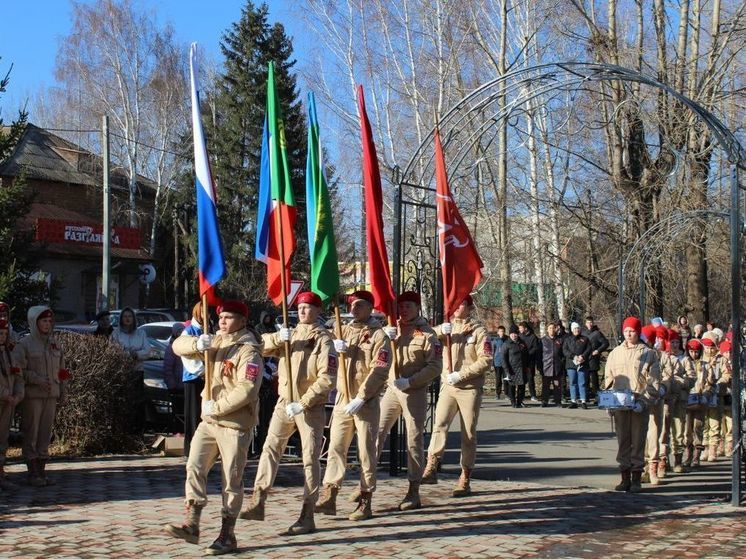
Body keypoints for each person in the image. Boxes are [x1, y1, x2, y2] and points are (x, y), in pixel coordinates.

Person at [165, 300, 263, 555]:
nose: (222, 321)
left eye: (229, 317)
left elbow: (248, 389)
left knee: (231, 479)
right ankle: (192, 523)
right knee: (194, 466)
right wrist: (198, 343)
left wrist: (217, 407)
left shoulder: (248, 350)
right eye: (221, 317)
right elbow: (177, 346)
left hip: (234, 423)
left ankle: (227, 534)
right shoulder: (215, 341)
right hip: (209, 423)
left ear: (242, 321)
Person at [240, 292, 336, 535]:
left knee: (309, 458)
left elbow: (327, 378)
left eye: (308, 308)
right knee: (270, 449)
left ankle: (307, 513)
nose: (302, 311)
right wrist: (277, 339)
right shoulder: (290, 335)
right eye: (300, 307)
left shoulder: (324, 340)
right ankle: (258, 499)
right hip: (285, 402)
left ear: (317, 311)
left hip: (309, 407)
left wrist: (304, 402)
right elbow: (260, 346)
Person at [315, 290, 391, 521]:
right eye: (351, 306)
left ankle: (366, 500)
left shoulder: (380, 336)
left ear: (370, 308)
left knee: (366, 453)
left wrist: (362, 396)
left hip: (364, 402)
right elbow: (320, 341)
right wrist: (334, 345)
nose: (354, 310)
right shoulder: (343, 329)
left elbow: (379, 370)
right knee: (336, 447)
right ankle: (330, 493)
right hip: (342, 401)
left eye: (359, 306)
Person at [376, 291, 442, 511]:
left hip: (414, 390)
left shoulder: (427, 334)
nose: (404, 310)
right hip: (392, 389)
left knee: (413, 440)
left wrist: (412, 381)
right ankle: (367, 484)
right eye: (401, 307)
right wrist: (384, 336)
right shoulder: (391, 328)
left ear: (417, 308)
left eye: (408, 307)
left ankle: (414, 490)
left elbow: (435, 366)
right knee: (376, 432)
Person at [422, 295, 491, 497]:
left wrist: (462, 374)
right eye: (454, 304)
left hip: (468, 387)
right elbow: (425, 337)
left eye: (461, 304)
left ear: (469, 307)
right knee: (439, 425)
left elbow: (486, 359)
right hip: (448, 386)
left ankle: (465, 476)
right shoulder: (447, 328)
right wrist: (439, 331)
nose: (456, 308)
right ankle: (432, 465)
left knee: (468, 433)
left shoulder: (479, 331)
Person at [14, 306, 68, 487]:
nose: (47, 324)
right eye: (43, 321)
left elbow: (62, 371)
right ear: (34, 322)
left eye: (49, 321)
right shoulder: (25, 344)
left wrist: (63, 391)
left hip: (51, 395)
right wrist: (36, 379)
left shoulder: (55, 344)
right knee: (32, 432)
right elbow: (19, 370)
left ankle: (42, 471)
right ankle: (32, 472)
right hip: (33, 396)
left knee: (46, 433)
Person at [605, 317, 660, 493]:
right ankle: (624, 477)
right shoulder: (615, 353)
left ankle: (636, 477)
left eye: (632, 331)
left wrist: (645, 401)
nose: (629, 334)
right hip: (620, 403)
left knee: (638, 440)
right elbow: (608, 378)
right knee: (623, 440)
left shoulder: (648, 353)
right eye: (626, 331)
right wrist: (608, 401)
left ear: (638, 332)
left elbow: (654, 382)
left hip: (638, 403)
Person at [0, 319, 23, 490]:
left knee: (3, 438)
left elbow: (18, 376)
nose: (3, 337)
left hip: (9, 402)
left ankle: (1, 473)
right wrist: (5, 394)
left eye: (5, 334)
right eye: (0, 333)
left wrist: (17, 394)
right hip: (3, 398)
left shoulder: (10, 353)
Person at [182, 302, 206, 457]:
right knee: (193, 415)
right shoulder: (188, 331)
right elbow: (187, 356)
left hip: (207, 379)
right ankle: (190, 449)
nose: (206, 315)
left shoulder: (207, 330)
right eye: (203, 311)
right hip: (193, 378)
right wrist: (203, 371)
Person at [662, 329, 689, 474]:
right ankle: (663, 460)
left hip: (680, 399)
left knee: (678, 430)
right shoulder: (662, 357)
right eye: (672, 341)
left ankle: (678, 461)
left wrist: (681, 382)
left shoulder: (684, 358)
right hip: (666, 400)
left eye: (677, 342)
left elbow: (691, 377)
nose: (675, 344)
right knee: (663, 431)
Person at [682, 339, 709, 469]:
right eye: (691, 351)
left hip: (700, 400)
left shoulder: (706, 365)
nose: (694, 354)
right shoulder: (684, 363)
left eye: (696, 351)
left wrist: (706, 394)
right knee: (687, 429)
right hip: (687, 400)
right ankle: (688, 455)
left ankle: (697, 456)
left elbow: (711, 383)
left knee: (698, 427)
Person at [563, 322, 592, 409]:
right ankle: (573, 401)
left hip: (582, 364)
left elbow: (589, 349)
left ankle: (583, 401)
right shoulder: (567, 339)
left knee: (582, 382)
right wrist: (574, 356)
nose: (577, 330)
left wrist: (582, 356)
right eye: (575, 328)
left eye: (578, 328)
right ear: (572, 330)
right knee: (572, 382)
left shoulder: (585, 339)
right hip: (571, 364)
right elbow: (565, 350)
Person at [583, 316, 609, 401]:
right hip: (585, 359)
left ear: (593, 323)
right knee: (585, 379)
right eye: (588, 322)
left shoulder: (597, 333)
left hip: (593, 359)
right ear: (585, 323)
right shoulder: (583, 333)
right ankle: (585, 397)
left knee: (594, 380)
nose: (589, 324)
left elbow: (605, 343)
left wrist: (598, 350)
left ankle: (597, 397)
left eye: (591, 322)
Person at [501, 325, 528, 408]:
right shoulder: (506, 344)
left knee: (521, 386)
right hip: (511, 368)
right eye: (512, 334)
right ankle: (513, 402)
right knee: (512, 386)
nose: (514, 335)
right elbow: (504, 358)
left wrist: (527, 366)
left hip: (522, 367)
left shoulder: (522, 343)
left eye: (515, 333)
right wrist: (506, 369)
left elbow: (526, 355)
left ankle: (519, 401)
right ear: (509, 334)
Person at [540, 322, 564, 407]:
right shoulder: (543, 340)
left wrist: (561, 364)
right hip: (546, 366)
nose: (551, 330)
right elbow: (539, 355)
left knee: (557, 386)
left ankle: (558, 401)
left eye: (553, 328)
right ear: (547, 330)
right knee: (546, 386)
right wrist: (540, 367)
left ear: (555, 329)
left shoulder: (560, 340)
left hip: (557, 367)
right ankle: (544, 401)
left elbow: (563, 354)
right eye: (550, 328)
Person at [518, 321, 540, 402]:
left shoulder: (533, 337)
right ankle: (522, 395)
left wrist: (528, 353)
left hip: (530, 361)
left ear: (525, 328)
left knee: (530, 378)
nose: (519, 329)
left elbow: (536, 348)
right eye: (519, 328)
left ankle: (533, 395)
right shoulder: (519, 336)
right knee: (522, 379)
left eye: (521, 328)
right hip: (521, 361)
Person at [163, 323, 185, 391]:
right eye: (179, 332)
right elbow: (167, 368)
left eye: (182, 331)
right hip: (176, 385)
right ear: (175, 333)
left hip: (186, 384)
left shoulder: (187, 346)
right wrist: (171, 384)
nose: (181, 334)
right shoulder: (171, 348)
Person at [491, 326, 507, 400]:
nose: (502, 333)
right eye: (500, 331)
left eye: (503, 331)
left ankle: (507, 394)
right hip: (497, 362)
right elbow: (493, 352)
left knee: (506, 379)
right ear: (498, 332)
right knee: (498, 379)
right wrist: (492, 363)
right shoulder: (495, 340)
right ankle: (498, 393)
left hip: (506, 363)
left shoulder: (507, 339)